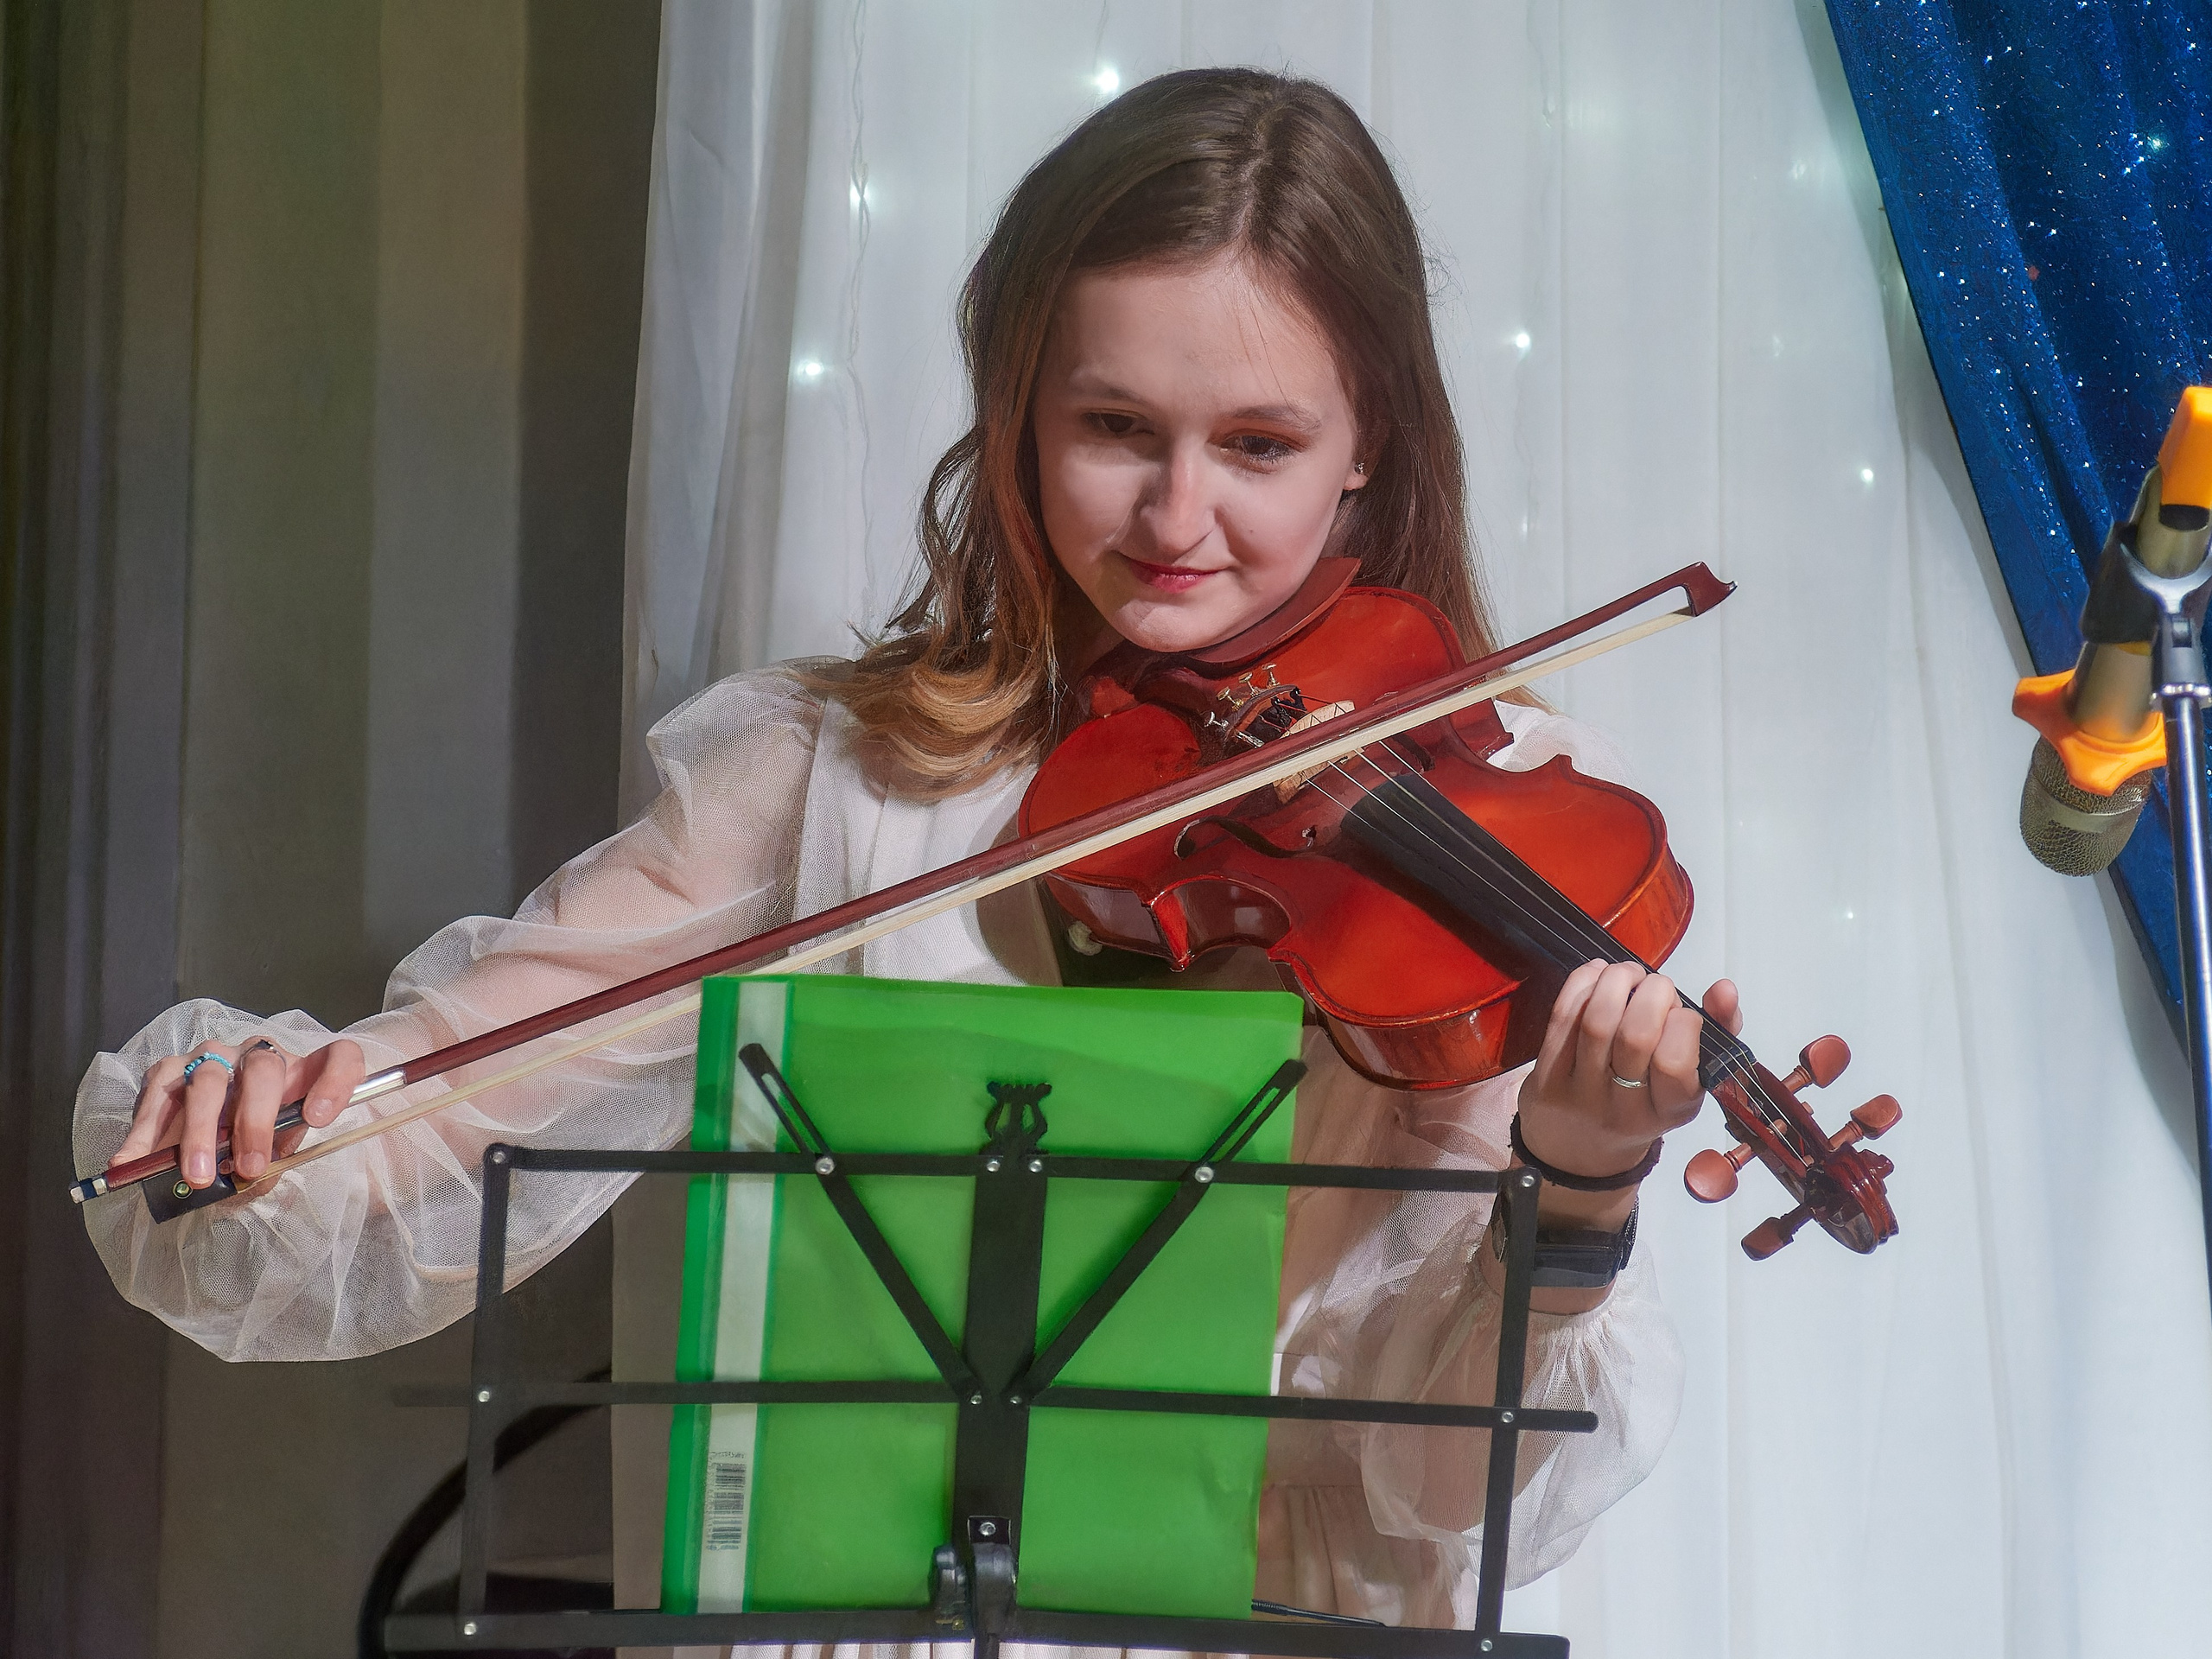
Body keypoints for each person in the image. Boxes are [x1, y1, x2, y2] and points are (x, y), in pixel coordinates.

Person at [76, 67, 1737, 1638]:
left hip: (1277, 1627)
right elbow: (458, 1090)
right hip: (881, 1620)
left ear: (1365, 442)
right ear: (1019, 413)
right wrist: (293, 1107)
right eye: (1114, 427)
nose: (1174, 520)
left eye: (1256, 445)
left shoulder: (1496, 822)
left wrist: (1580, 1185)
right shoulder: (835, 775)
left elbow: (1452, 1485)